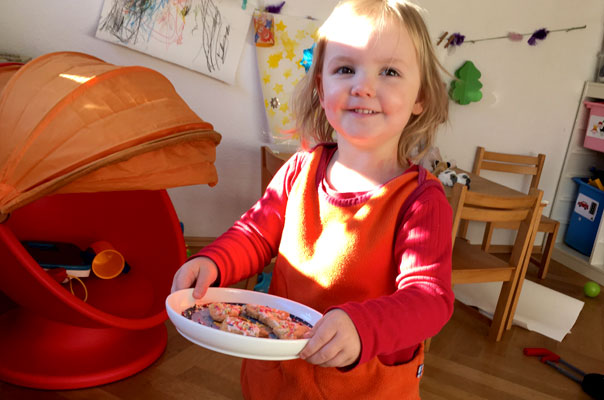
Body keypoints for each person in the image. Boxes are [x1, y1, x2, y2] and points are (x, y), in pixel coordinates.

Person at [171, 0, 454, 398]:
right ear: (321, 89)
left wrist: (363, 327)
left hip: (364, 386)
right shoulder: (299, 170)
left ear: (420, 96)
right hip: (278, 378)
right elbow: (254, 233)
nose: (363, 86)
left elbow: (430, 300)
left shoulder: (421, 202)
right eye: (344, 69)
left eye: (389, 71)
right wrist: (213, 260)